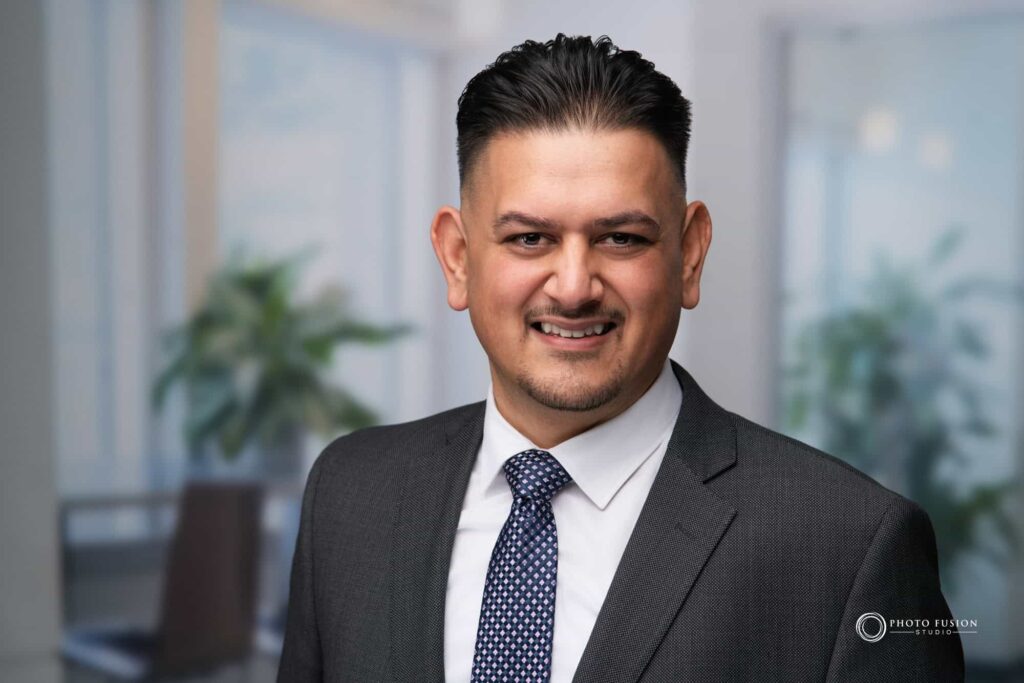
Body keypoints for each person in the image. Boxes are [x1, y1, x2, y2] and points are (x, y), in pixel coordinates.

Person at [278, 34, 964, 682]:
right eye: (528, 238)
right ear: (457, 258)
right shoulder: (350, 493)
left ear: (690, 253)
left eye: (623, 238)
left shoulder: (849, 545)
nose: (574, 286)